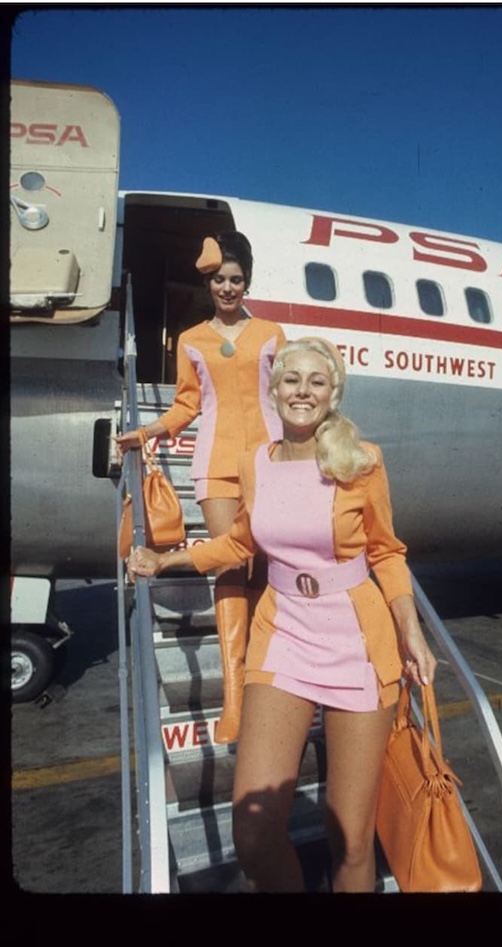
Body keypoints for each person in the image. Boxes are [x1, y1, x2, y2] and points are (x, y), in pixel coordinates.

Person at [128, 336, 438, 893]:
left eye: (316, 381)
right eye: (292, 378)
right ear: (275, 389)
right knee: (253, 833)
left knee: (350, 836)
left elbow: (387, 552)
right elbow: (241, 542)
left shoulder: (361, 461)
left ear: (333, 392)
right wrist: (167, 557)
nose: (303, 391)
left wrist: (410, 629)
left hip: (357, 643)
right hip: (283, 635)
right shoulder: (257, 463)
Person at [116, 232, 286, 743]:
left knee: (265, 568)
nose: (228, 288)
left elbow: (293, 396)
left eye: (235, 279)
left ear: (247, 282)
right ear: (208, 282)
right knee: (230, 566)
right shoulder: (191, 339)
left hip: (269, 461)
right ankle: (236, 698)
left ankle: (265, 685)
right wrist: (146, 432)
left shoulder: (273, 334)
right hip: (215, 464)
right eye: (219, 280)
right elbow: (187, 405)